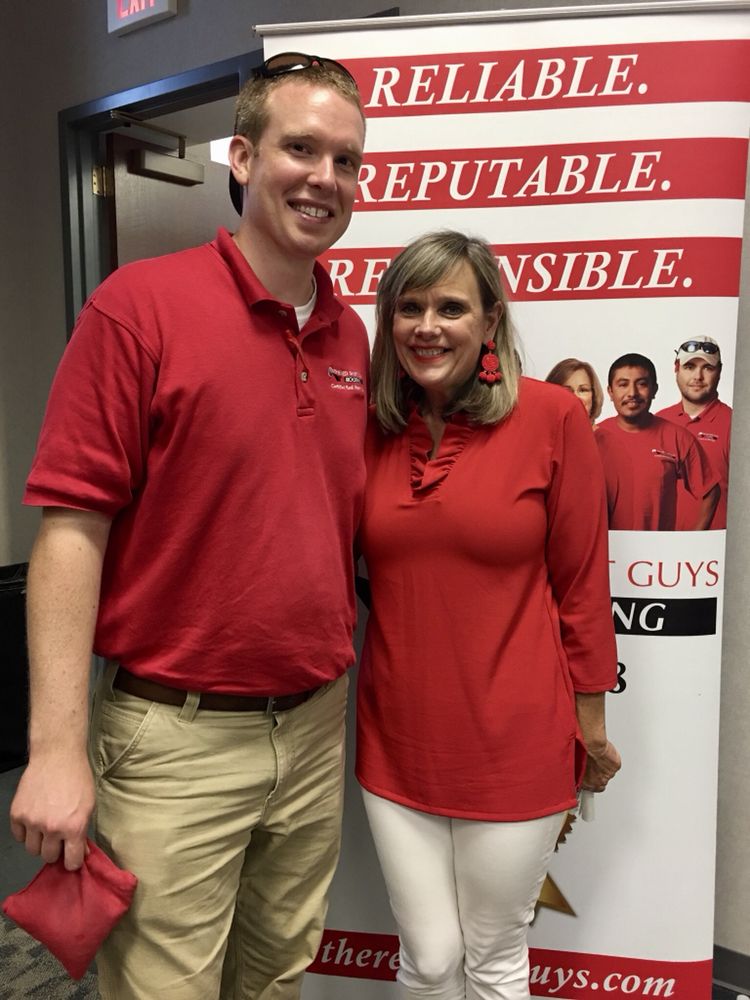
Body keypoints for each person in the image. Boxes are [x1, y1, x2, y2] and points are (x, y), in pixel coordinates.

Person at [10, 53, 368, 1000]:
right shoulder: (138, 309)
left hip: (315, 721)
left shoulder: (350, 336)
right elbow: (70, 534)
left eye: (346, 159)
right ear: (242, 157)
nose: (324, 179)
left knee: (276, 978)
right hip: (175, 739)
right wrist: (54, 748)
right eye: (301, 148)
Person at [356, 231, 621, 1000]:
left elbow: (582, 587)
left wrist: (591, 731)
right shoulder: (371, 429)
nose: (427, 326)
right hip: (394, 742)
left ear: (491, 320)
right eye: (409, 307)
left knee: (495, 957)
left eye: (450, 306)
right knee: (430, 959)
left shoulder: (551, 419)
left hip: (517, 743)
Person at [596, 353, 719, 531]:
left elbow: (710, 491)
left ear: (654, 390)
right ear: (610, 391)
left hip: (658, 554)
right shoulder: (594, 437)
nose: (632, 393)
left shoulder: (677, 437)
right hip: (606, 550)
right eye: (623, 385)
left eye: (642, 384)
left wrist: (694, 541)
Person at [656, 337, 731, 529]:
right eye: (689, 367)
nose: (698, 376)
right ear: (676, 368)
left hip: (714, 553)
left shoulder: (736, 425)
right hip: (659, 550)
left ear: (720, 371)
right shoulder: (658, 420)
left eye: (707, 368)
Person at [545, 357, 603, 425]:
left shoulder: (602, 434)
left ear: (594, 396)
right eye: (567, 391)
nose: (576, 397)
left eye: (583, 390)